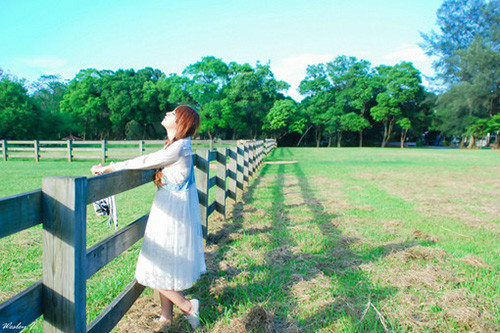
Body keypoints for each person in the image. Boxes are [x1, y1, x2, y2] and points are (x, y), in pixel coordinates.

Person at [91, 105, 206, 329]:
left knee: (151, 267)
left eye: (173, 113)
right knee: (165, 263)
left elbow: (145, 161)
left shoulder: (179, 147)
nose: (167, 114)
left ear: (182, 122)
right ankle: (166, 316)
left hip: (171, 214)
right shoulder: (177, 146)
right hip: (168, 210)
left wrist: (110, 168)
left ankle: (188, 306)